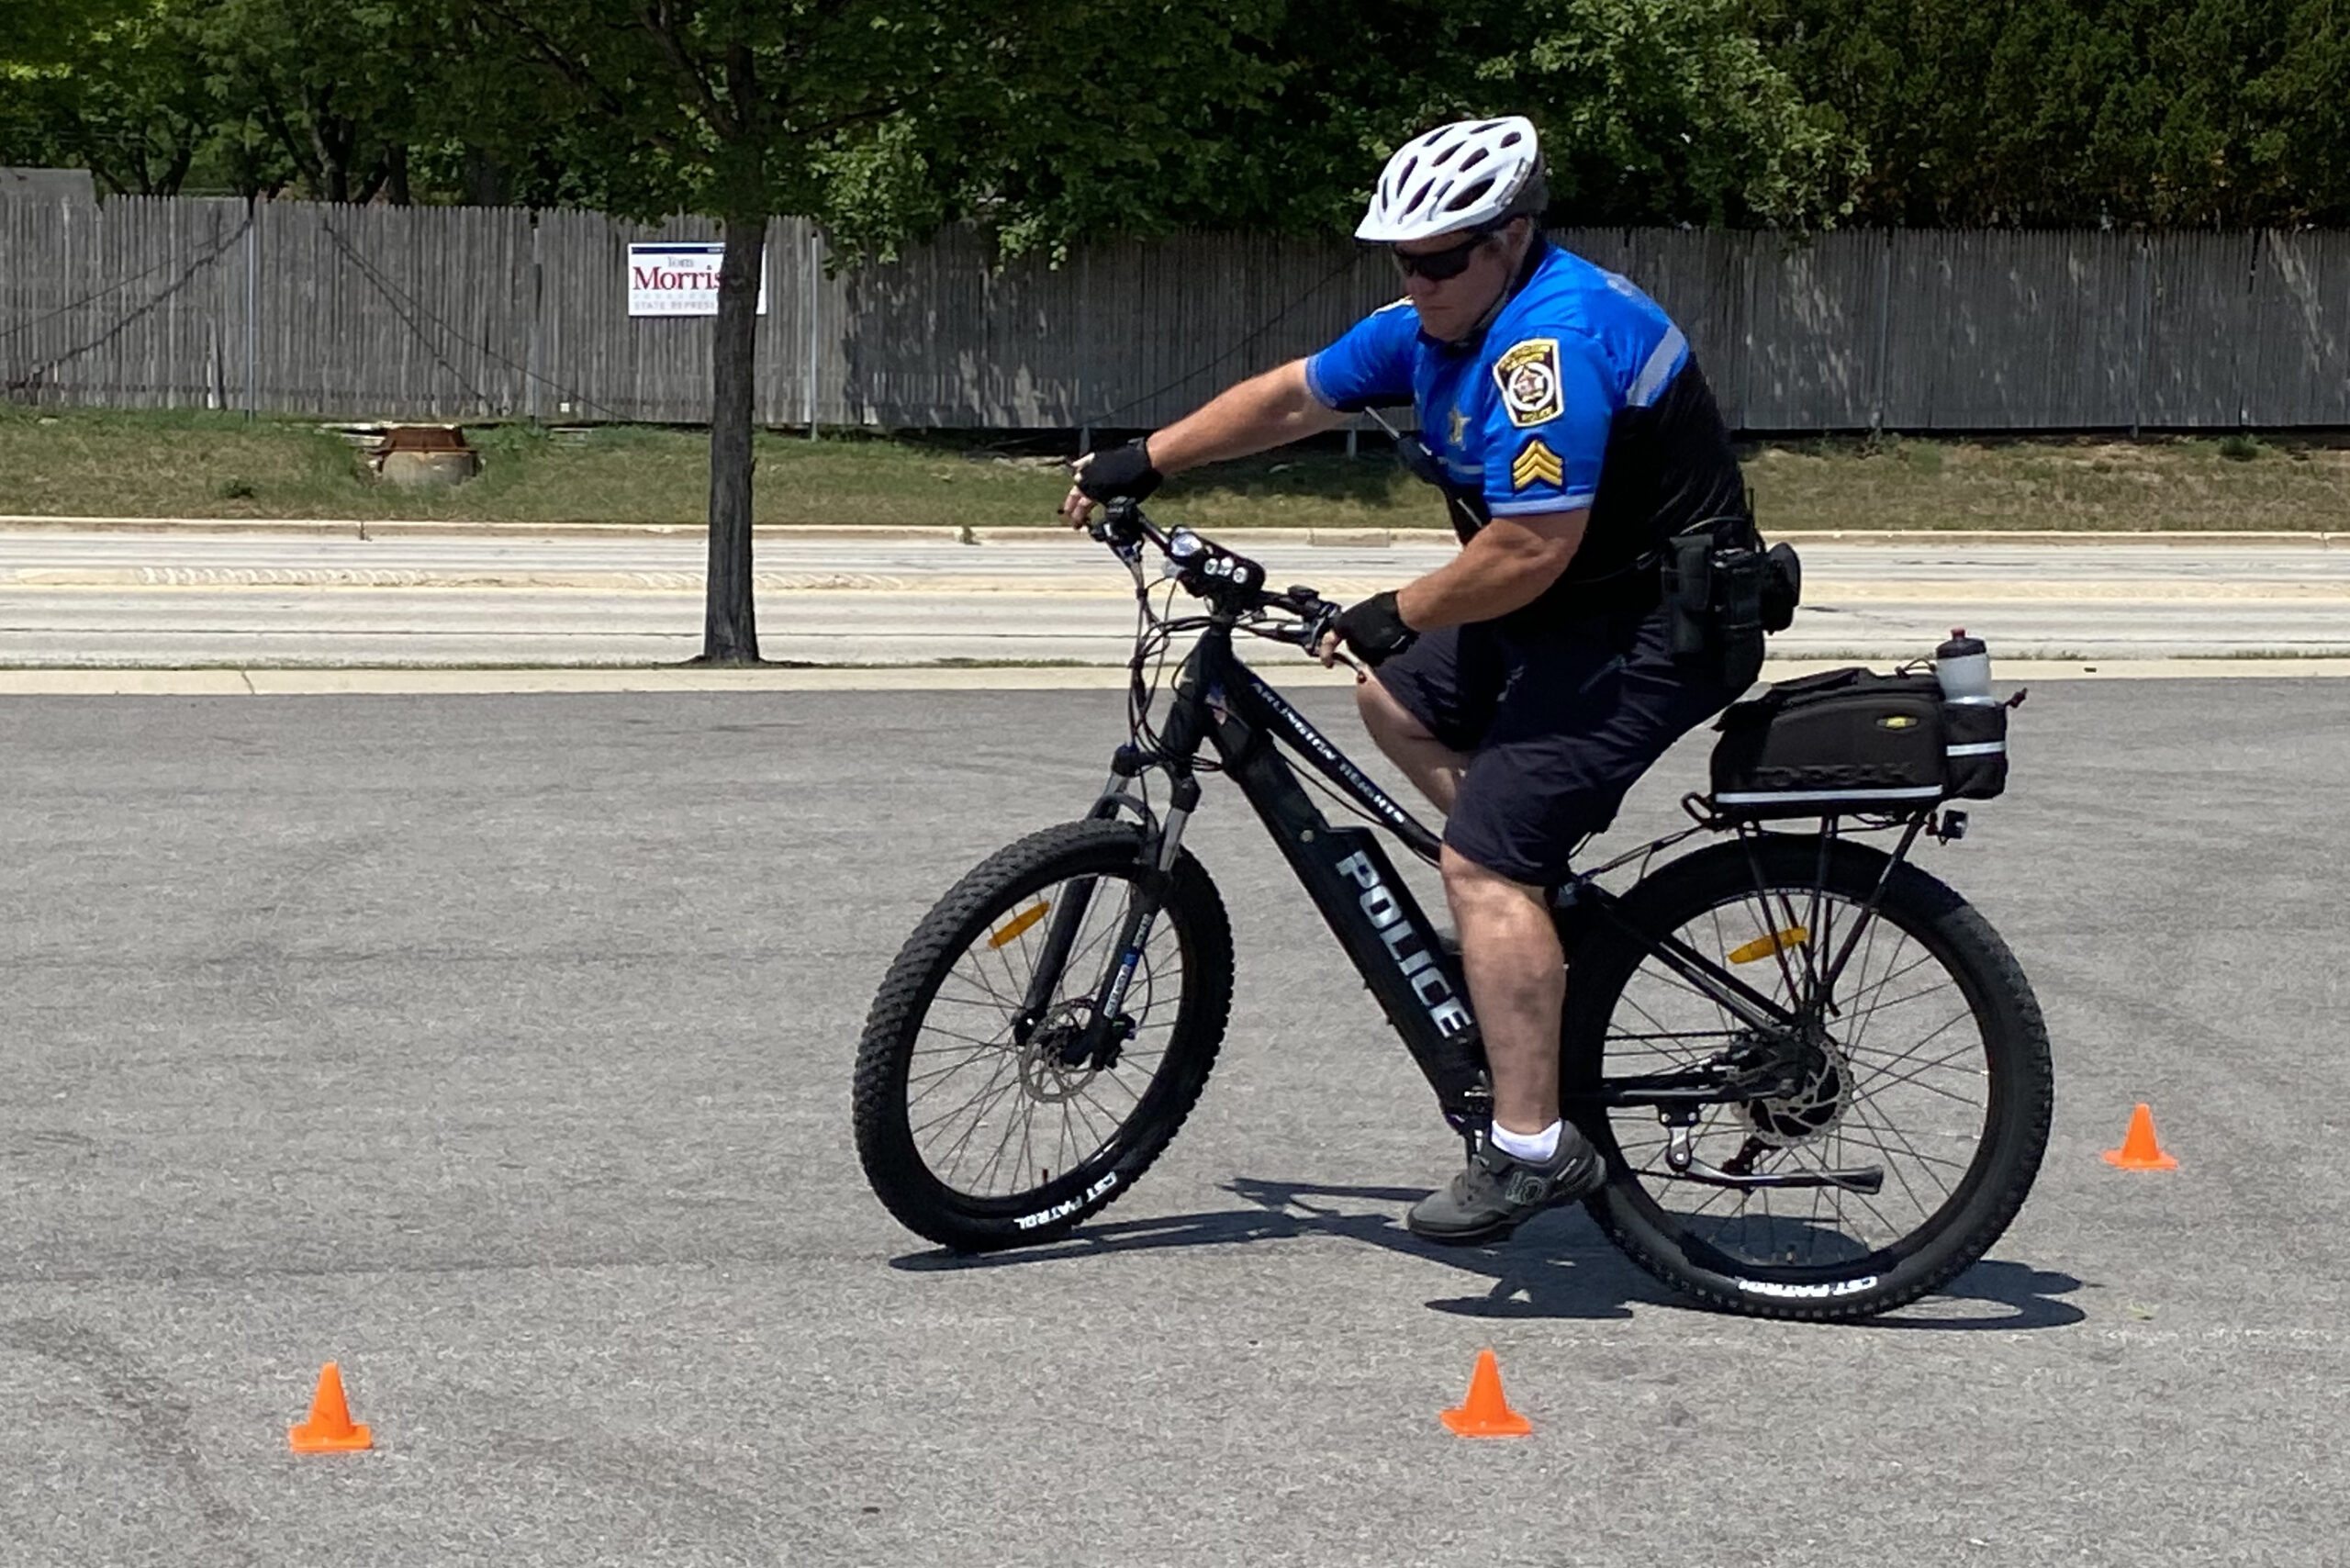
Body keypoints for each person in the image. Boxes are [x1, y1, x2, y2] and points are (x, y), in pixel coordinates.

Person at [1060, 115, 1755, 1246]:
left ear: (1510, 237)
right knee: (1395, 695)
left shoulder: (1548, 347)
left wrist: (1398, 608)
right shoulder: (1438, 324)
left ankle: (1529, 1144)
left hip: (1647, 631)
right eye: (1403, 260)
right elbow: (1293, 396)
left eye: (1438, 259)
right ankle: (1531, 915)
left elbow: (1528, 546)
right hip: (1562, 613)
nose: (1417, 281)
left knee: (1482, 858)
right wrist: (1143, 458)